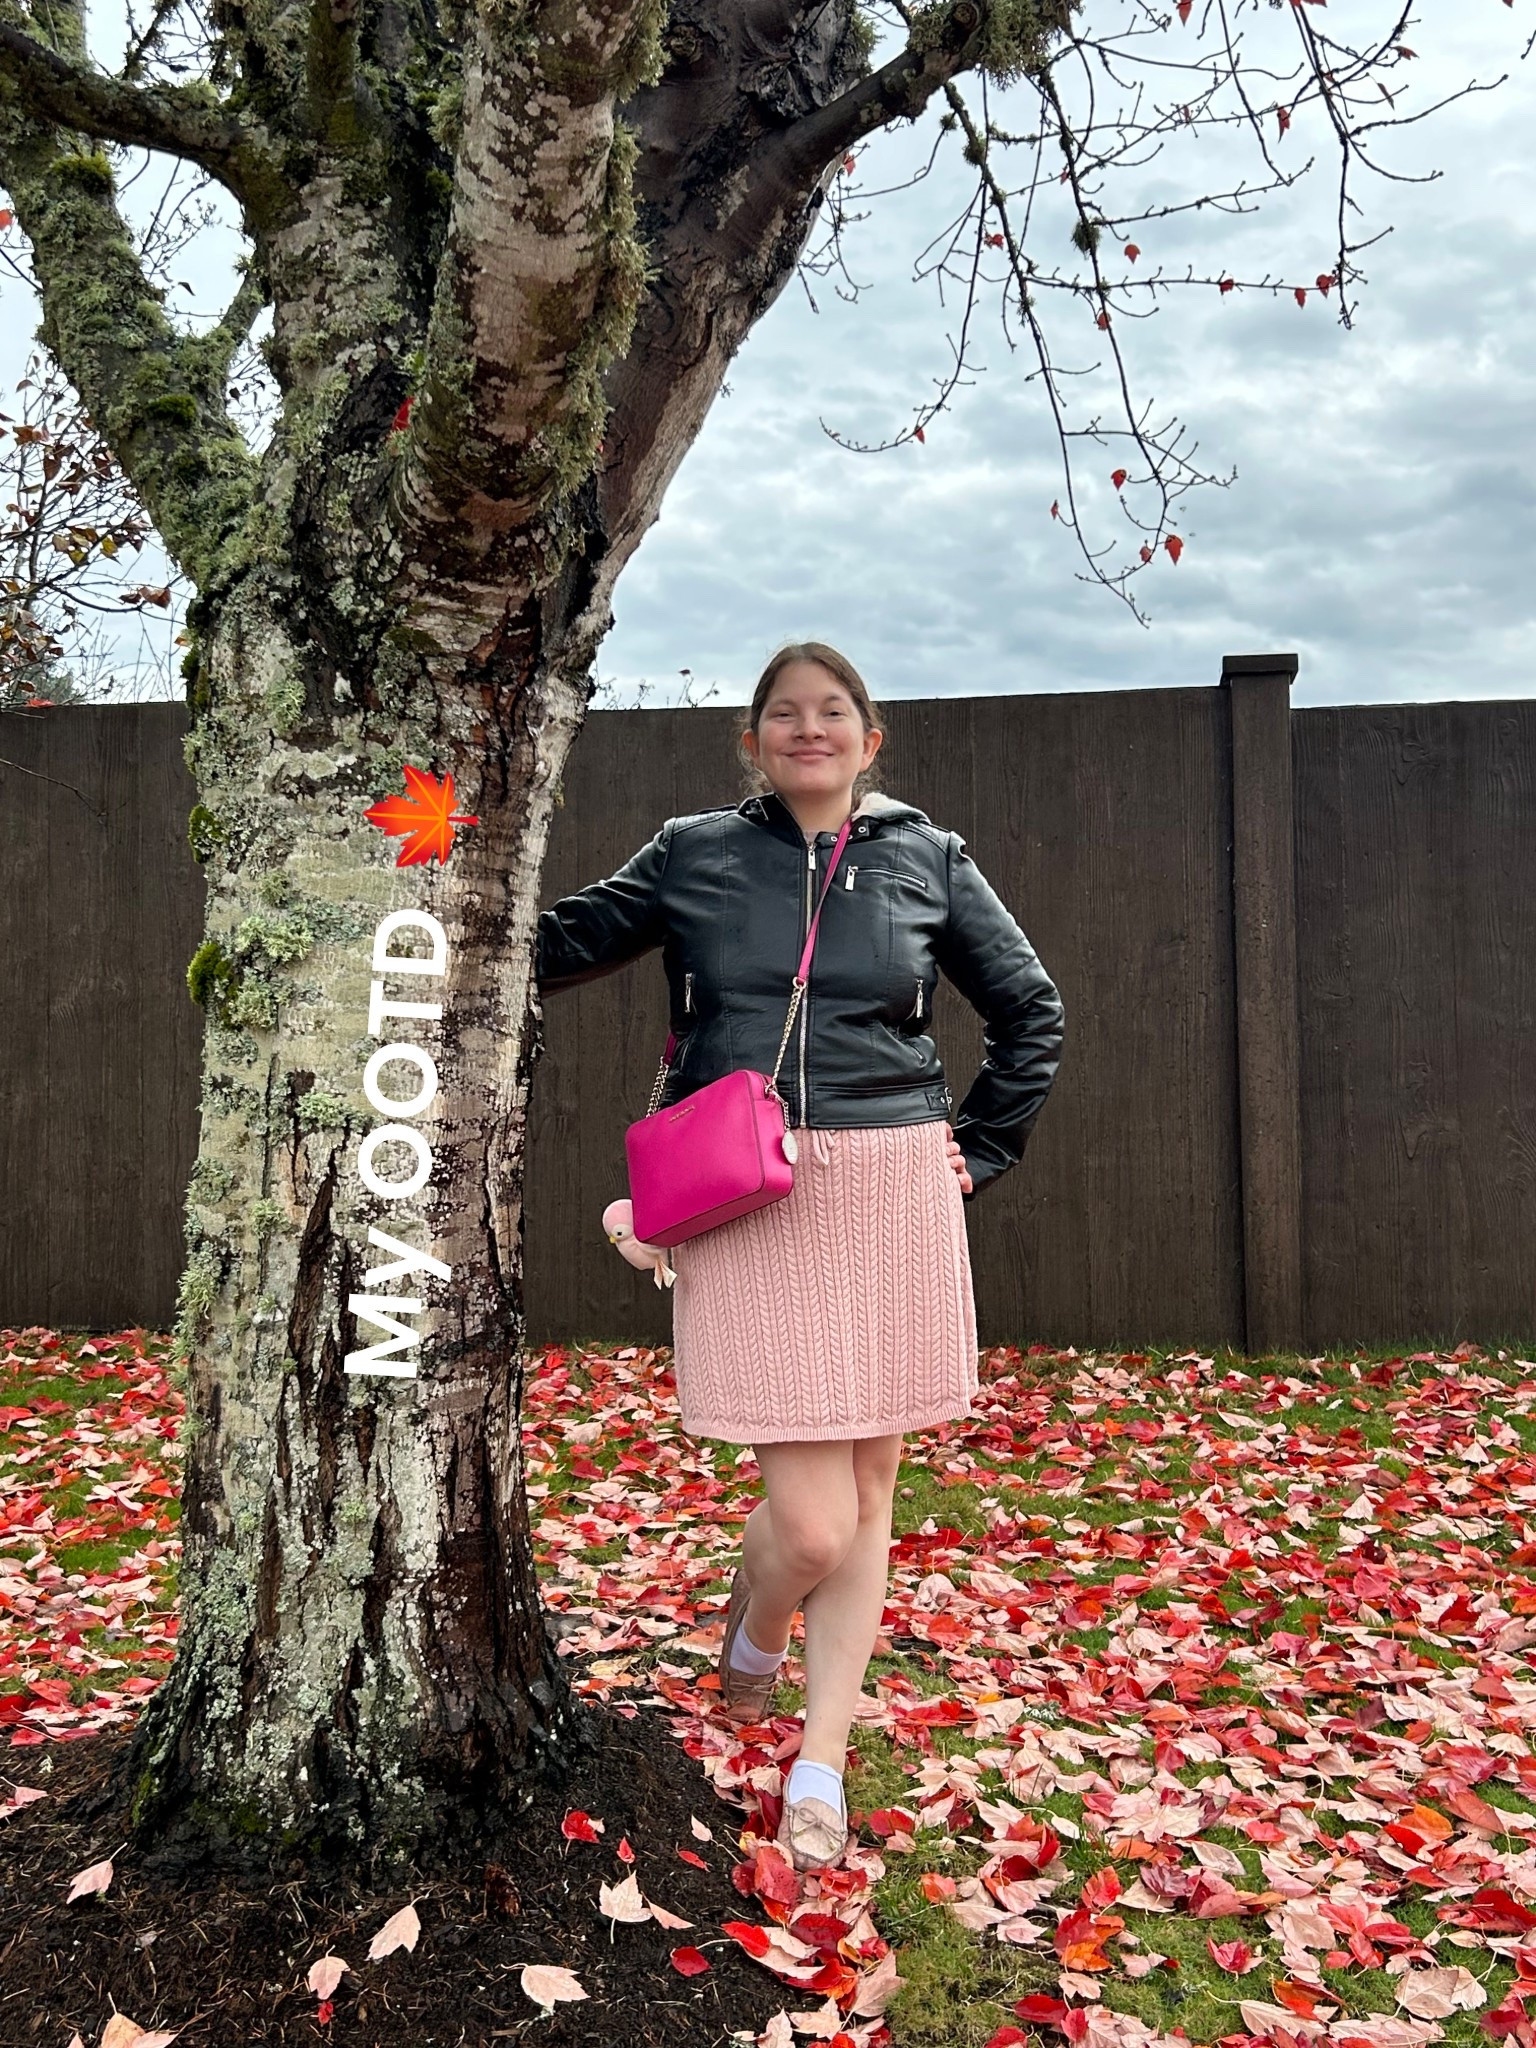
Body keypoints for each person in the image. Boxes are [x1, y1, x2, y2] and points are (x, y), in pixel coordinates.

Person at [534, 642, 1066, 1871]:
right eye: (787, 713)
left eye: (835, 712)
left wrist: (980, 1148)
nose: (810, 728)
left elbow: (1030, 1005)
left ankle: (818, 1757)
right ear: (755, 741)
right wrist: (446, 875)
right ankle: (754, 1627)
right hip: (749, 1180)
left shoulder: (928, 858)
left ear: (870, 740)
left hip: (890, 1181)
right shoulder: (695, 851)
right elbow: (558, 939)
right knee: (815, 1522)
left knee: (872, 1493)